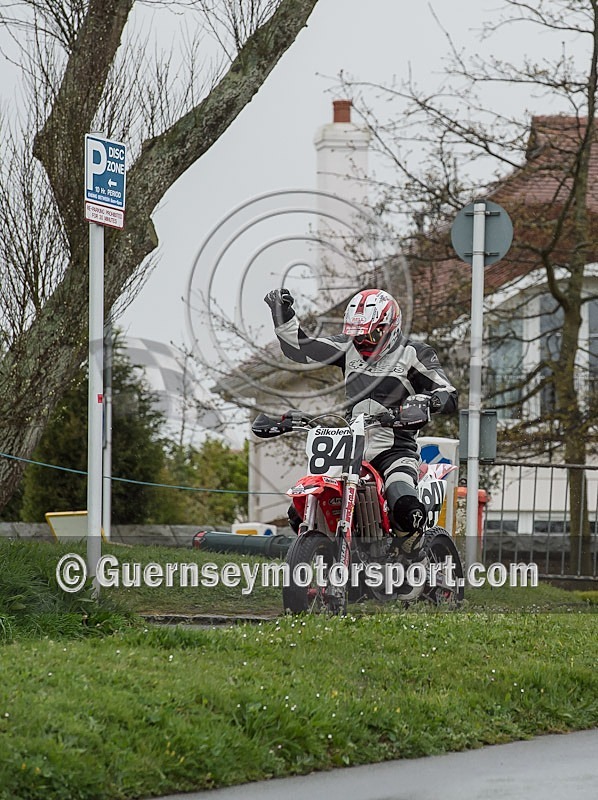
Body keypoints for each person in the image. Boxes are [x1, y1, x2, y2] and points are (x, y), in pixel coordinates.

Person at [264, 287, 458, 537]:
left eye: (371, 335)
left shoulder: (414, 353)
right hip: (349, 451)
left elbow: (448, 392)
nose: (363, 342)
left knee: (404, 505)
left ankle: (415, 552)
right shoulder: (346, 347)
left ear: (390, 326)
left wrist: (427, 402)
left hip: (395, 451)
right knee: (299, 510)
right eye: (357, 335)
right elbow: (301, 349)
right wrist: (282, 315)